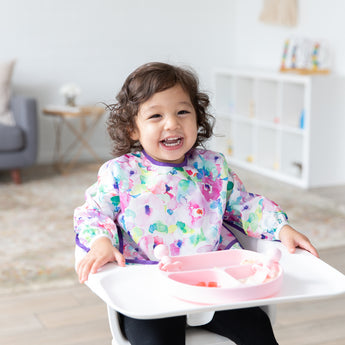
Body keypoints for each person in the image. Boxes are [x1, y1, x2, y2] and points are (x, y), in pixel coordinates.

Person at [74, 62, 319, 345]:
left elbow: (245, 205)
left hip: (215, 283)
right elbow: (92, 211)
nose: (172, 123)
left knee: (258, 329)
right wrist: (101, 241)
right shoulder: (119, 173)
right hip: (150, 287)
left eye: (182, 112)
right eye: (155, 115)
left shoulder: (214, 167)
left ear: (197, 118)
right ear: (132, 129)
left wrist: (280, 228)